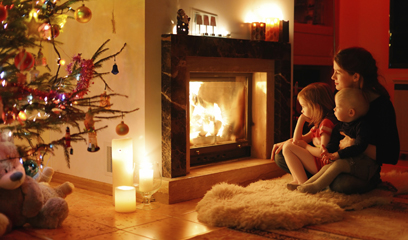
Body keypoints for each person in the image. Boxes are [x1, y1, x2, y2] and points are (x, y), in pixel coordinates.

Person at [272, 47, 400, 194]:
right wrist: (294, 141)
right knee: (281, 155)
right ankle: (321, 180)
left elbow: (392, 154)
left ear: (355, 77)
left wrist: (354, 143)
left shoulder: (381, 106)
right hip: (333, 157)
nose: (333, 77)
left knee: (341, 184)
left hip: (359, 166)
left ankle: (326, 180)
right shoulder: (339, 94)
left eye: (338, 72)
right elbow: (325, 128)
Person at [297, 88, 370, 193]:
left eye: (337, 107)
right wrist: (327, 151)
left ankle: (316, 187)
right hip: (344, 158)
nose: (334, 109)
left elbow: (360, 147)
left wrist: (338, 154)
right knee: (327, 166)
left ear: (351, 112)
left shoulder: (361, 126)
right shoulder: (338, 127)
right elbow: (333, 143)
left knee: (338, 165)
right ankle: (305, 184)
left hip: (358, 162)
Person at [281, 82, 337, 190]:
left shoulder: (326, 124)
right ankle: (297, 179)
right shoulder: (318, 125)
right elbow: (296, 141)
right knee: (288, 145)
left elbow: (323, 153)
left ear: (315, 107)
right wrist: (301, 120)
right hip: (317, 162)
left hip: (323, 165)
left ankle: (303, 183)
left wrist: (306, 147)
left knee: (288, 147)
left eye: (303, 106)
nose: (301, 110)